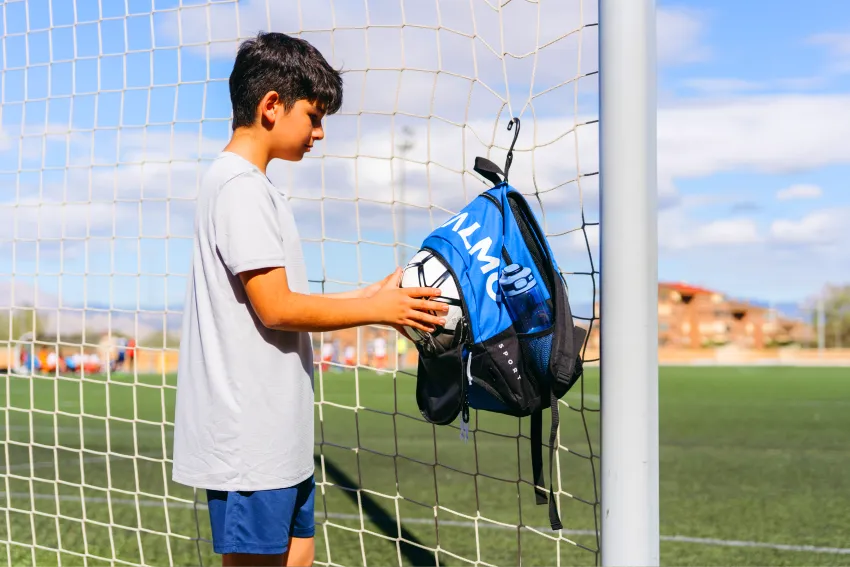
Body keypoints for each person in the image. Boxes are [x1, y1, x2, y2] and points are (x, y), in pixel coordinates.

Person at [171, 32, 446, 567]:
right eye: (314, 116)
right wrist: (376, 310)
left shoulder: (256, 186)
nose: (319, 133)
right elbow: (276, 308)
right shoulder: (238, 187)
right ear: (272, 105)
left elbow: (288, 300)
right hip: (249, 439)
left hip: (279, 435)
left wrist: (378, 295)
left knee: (299, 554)